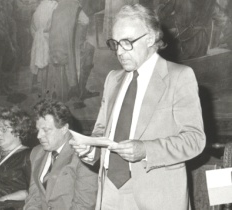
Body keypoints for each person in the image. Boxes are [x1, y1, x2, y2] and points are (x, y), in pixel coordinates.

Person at [70, 4, 206, 210]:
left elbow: (195, 139)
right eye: (115, 43)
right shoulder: (112, 79)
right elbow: (101, 130)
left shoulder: (179, 76)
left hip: (157, 194)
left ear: (150, 38)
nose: (119, 52)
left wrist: (146, 150)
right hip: (109, 191)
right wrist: (92, 149)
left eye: (127, 42)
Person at [23, 99, 97, 210]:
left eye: (46, 130)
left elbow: (84, 205)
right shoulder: (37, 152)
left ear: (64, 129)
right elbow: (34, 196)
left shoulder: (84, 154)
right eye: (38, 130)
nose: (39, 136)